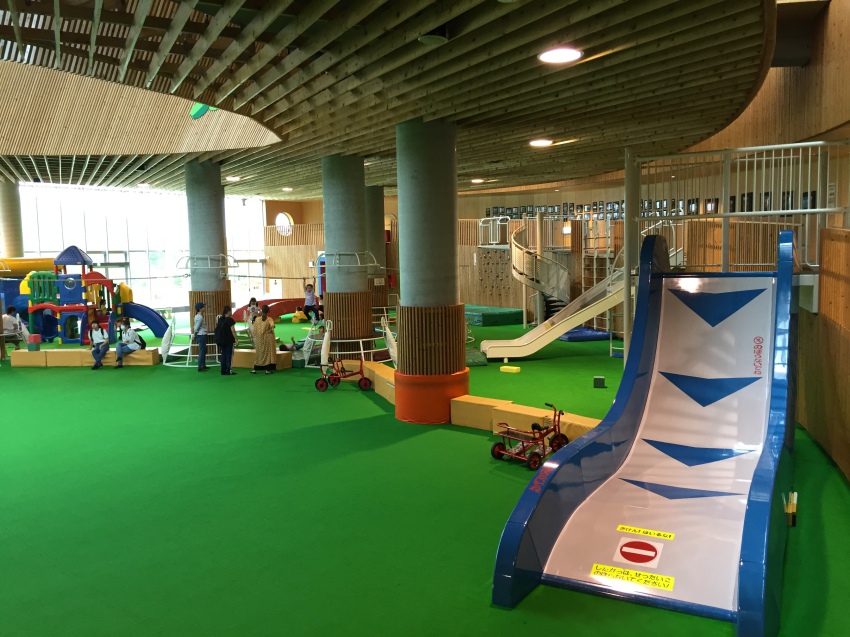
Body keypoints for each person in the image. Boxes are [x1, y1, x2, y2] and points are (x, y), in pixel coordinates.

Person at [251, 304, 277, 374]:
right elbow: (272, 326)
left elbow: (254, 330)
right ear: (268, 311)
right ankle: (267, 370)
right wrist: (269, 331)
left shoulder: (257, 319)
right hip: (268, 338)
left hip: (259, 339)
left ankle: (255, 369)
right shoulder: (269, 319)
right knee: (268, 354)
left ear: (261, 310)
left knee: (259, 353)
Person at [216, 306, 238, 376]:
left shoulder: (220, 319)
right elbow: (233, 330)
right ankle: (229, 370)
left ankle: (223, 370)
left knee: (223, 355)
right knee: (229, 355)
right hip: (229, 340)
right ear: (228, 311)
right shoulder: (230, 320)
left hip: (222, 340)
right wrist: (236, 339)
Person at [194, 302, 209, 372]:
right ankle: (200, 367)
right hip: (201, 335)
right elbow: (196, 327)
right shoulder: (200, 317)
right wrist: (194, 334)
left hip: (201, 335)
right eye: (203, 307)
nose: (204, 308)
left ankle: (203, 365)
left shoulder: (197, 316)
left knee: (203, 350)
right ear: (200, 309)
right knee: (202, 351)